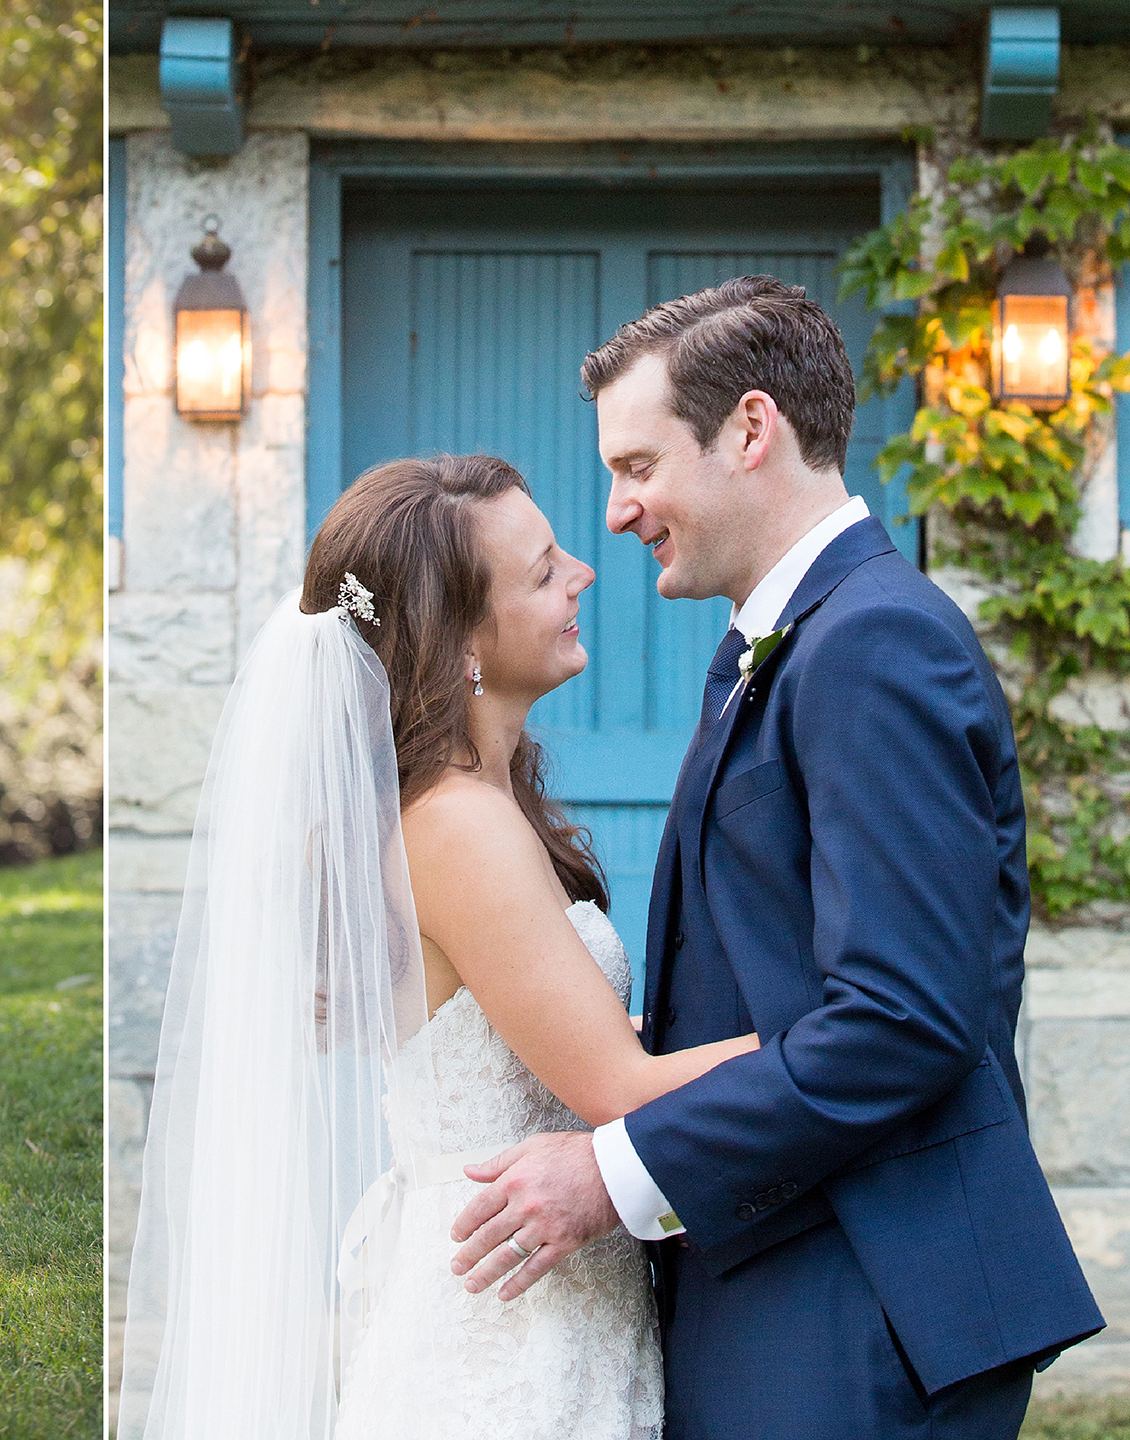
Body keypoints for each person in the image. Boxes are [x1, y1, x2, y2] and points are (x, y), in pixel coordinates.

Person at [446, 275, 1102, 1438]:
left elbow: (904, 1015)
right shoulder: (788, 644)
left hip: (857, 1297)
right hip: (783, 1267)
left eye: (636, 466)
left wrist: (619, 1172)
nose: (613, 511)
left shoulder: (873, 643)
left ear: (749, 429)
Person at [118, 451, 761, 1440]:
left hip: (548, 1302)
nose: (583, 572)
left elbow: (533, 1044)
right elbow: (616, 1091)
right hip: (506, 1345)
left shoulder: (479, 804)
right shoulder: (454, 825)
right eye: (543, 569)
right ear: (461, 637)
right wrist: (845, 1032)